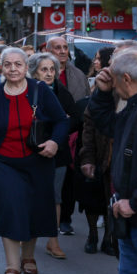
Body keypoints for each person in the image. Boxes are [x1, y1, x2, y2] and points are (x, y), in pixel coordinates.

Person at [0, 47, 68, 274]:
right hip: (5, 162)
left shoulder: (41, 91)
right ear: (1, 68)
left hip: (38, 162)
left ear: (27, 68)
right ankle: (12, 266)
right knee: (11, 208)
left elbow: (61, 121)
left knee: (34, 210)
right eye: (8, 64)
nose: (13, 69)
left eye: (18, 64)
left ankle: (28, 256)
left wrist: (55, 142)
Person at [87, 48, 137, 274]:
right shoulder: (131, 106)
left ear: (126, 78)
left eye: (111, 74)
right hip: (127, 217)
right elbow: (106, 123)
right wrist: (103, 94)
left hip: (133, 211)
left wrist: (134, 203)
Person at [28, 51, 82, 260]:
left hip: (57, 152)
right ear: (34, 72)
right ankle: (26, 237)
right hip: (31, 151)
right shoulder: (27, 91)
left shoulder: (62, 92)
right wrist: (58, 121)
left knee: (55, 197)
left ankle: (53, 241)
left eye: (52, 69)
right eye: (44, 69)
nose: (49, 74)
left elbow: (75, 119)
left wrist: (59, 128)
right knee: (30, 195)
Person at [79, 46, 118, 256]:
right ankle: (93, 235)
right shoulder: (99, 88)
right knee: (92, 198)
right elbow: (89, 123)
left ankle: (109, 238)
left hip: (118, 155)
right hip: (98, 150)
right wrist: (87, 156)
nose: (96, 62)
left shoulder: (127, 89)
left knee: (113, 200)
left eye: (99, 59)